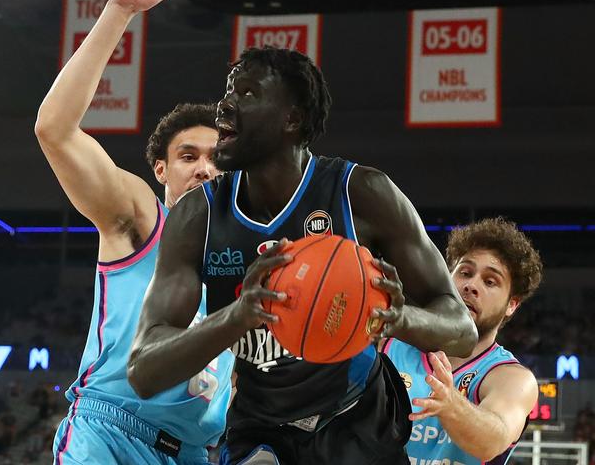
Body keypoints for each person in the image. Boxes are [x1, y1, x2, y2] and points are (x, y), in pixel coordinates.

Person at [127, 42, 478, 465]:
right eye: (229, 91)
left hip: (357, 420)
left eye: (247, 94)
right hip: (260, 428)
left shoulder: (360, 193)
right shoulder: (197, 215)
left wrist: (399, 318)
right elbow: (143, 371)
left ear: (291, 119)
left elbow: (462, 328)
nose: (224, 106)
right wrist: (238, 315)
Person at [34, 0, 234, 463]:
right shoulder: (144, 219)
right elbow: (54, 130)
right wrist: (120, 10)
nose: (204, 167)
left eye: (216, 157)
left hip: (194, 453)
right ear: (162, 170)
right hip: (110, 437)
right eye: (188, 156)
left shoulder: (250, 261)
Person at [381, 217, 541, 465]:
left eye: (490, 281)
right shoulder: (389, 345)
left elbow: (492, 441)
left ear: (512, 304)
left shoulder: (511, 378)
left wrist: (450, 403)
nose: (471, 286)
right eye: (465, 273)